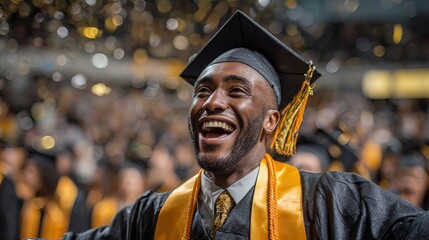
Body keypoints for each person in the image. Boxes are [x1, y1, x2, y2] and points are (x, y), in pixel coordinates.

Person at [63, 10, 429, 239]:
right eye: (202, 90)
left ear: (272, 121)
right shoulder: (150, 217)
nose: (212, 102)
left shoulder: (332, 203)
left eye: (236, 90)